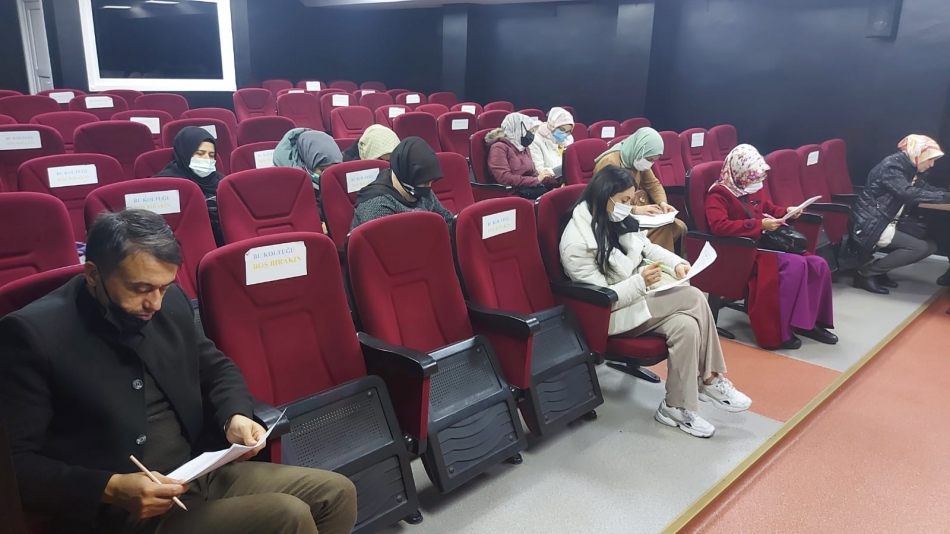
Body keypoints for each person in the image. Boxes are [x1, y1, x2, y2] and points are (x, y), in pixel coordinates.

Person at [0, 210, 357, 534]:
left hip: (196, 471)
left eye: (163, 287)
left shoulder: (169, 302)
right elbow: (15, 465)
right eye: (141, 289)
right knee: (287, 516)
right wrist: (110, 488)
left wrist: (233, 415)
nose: (155, 303)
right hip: (120, 509)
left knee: (336, 493)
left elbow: (217, 369)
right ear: (94, 274)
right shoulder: (32, 335)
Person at [559, 165, 751, 438]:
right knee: (694, 296)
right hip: (607, 314)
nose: (629, 206)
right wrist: (641, 282)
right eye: (624, 200)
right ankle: (710, 378)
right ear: (604, 196)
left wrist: (677, 264)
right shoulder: (577, 243)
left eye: (630, 199)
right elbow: (601, 298)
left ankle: (675, 407)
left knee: (686, 326)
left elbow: (647, 247)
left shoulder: (614, 217)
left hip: (638, 298)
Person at [706, 144, 837, 350]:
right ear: (739, 173)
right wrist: (759, 225)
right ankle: (779, 332)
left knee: (818, 264)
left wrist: (787, 211)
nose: (757, 182)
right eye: (753, 178)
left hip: (765, 243)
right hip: (742, 249)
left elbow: (767, 208)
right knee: (794, 266)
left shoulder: (752, 187)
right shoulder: (718, 194)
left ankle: (808, 323)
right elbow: (719, 226)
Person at [846, 135, 950, 294]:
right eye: (930, 159)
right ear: (918, 154)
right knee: (918, 247)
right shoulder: (891, 167)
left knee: (931, 246)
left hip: (889, 220)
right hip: (872, 224)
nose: (932, 164)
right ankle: (865, 273)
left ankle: (879, 270)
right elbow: (907, 193)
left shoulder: (909, 167)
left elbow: (925, 189)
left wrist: (946, 194)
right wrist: (945, 197)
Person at [592, 128, 687, 253]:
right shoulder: (609, 162)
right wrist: (635, 210)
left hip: (631, 213)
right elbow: (604, 201)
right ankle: (655, 262)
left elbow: (653, 184)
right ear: (640, 149)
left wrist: (663, 203)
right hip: (614, 218)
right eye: (649, 159)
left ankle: (674, 261)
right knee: (664, 229)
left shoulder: (637, 158)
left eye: (653, 161)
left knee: (679, 226)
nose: (650, 163)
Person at [351, 137, 453, 230]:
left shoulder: (418, 187)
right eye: (425, 183)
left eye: (431, 182)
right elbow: (393, 242)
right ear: (406, 176)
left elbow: (447, 220)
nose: (428, 187)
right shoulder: (377, 205)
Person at [154, 126, 225, 246]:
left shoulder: (222, 182)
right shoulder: (164, 184)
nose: (207, 159)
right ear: (185, 153)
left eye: (211, 155)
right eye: (200, 153)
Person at [486, 113, 559, 199]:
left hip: (528, 189)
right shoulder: (498, 147)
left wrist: (551, 178)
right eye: (529, 131)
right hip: (512, 193)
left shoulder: (522, 146)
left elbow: (532, 173)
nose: (532, 135)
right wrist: (535, 180)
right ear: (517, 129)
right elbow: (504, 178)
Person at [273, 128, 342, 191]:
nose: (329, 176)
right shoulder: (281, 181)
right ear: (305, 161)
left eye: (333, 170)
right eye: (322, 170)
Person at [529, 107, 574, 177]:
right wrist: (562, 171)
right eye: (562, 129)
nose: (565, 134)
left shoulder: (568, 139)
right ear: (552, 126)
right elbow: (538, 170)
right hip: (550, 181)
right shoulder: (535, 140)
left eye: (568, 131)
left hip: (567, 178)